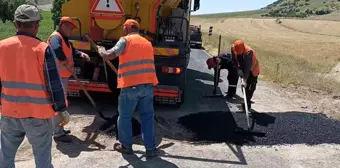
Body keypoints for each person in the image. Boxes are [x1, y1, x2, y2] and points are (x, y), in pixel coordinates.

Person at [0, 4, 69, 168]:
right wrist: (61, 109)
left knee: (5, 159)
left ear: (16, 24)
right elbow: (54, 85)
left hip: (9, 113)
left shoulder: (1, 47)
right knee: (43, 161)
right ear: (37, 25)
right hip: (37, 115)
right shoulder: (42, 49)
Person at [97, 19, 159, 158]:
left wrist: (101, 51)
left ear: (126, 28)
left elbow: (109, 55)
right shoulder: (147, 43)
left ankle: (126, 147)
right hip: (148, 86)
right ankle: (150, 149)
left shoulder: (125, 40)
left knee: (124, 117)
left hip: (131, 86)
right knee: (147, 117)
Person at [47, 16, 90, 142]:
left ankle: (59, 128)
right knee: (58, 104)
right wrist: (64, 60)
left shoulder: (64, 39)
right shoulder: (55, 37)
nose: (71, 31)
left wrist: (81, 54)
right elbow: (56, 50)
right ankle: (58, 133)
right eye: (70, 28)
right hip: (57, 76)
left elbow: (72, 51)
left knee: (61, 103)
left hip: (63, 76)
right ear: (63, 26)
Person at [231, 40, 260, 111]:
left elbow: (248, 68)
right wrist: (238, 70)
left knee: (250, 87)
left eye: (240, 53)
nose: (239, 54)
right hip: (243, 68)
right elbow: (233, 60)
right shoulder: (233, 48)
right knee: (244, 87)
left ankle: (246, 104)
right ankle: (246, 102)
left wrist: (244, 79)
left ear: (243, 49)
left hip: (253, 70)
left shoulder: (248, 52)